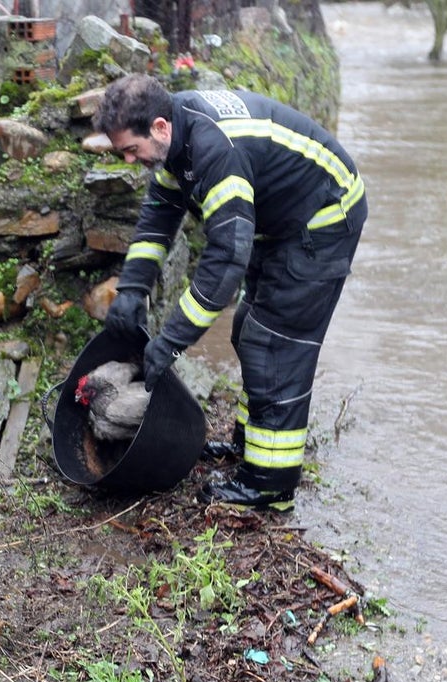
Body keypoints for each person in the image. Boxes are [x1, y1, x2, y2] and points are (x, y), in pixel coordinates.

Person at [92, 74, 367, 510]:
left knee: (274, 343)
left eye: (131, 149)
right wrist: (131, 288)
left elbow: (223, 268)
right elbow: (159, 216)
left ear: (159, 128)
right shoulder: (175, 136)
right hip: (281, 220)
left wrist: (171, 342)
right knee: (247, 330)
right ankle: (250, 446)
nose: (129, 160)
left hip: (324, 218)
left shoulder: (215, 152)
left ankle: (269, 484)